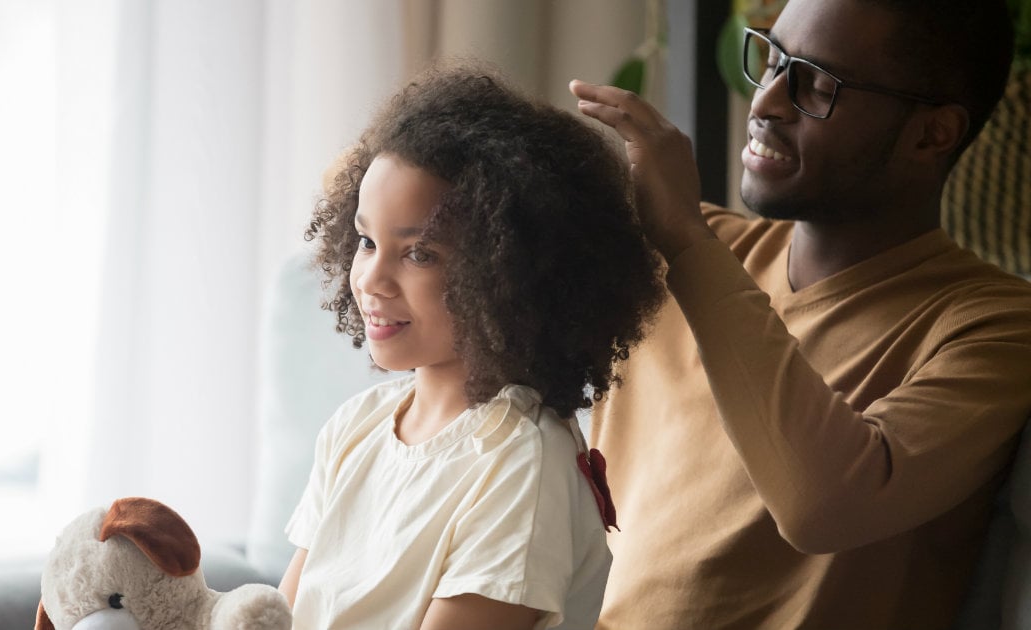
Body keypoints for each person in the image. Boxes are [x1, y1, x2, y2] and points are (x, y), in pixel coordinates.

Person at [568, 0, 1031, 627]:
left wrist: (686, 241)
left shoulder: (994, 326)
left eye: (818, 85)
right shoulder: (677, 247)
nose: (765, 102)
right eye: (773, 59)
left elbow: (822, 507)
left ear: (933, 134)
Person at [278, 63, 664, 630]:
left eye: (419, 254)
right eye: (365, 241)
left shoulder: (521, 464)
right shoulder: (355, 428)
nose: (370, 279)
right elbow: (275, 617)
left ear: (506, 276)